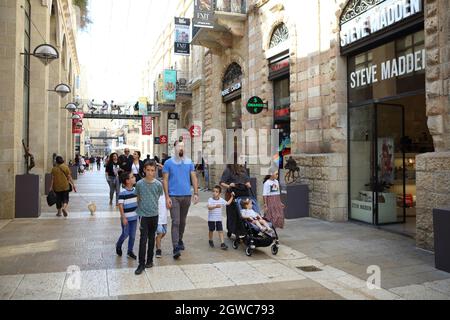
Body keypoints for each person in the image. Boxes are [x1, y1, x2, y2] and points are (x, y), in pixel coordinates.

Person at [163, 139, 199, 260]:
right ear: (175, 148)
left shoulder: (189, 162)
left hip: (186, 196)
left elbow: (193, 177)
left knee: (183, 221)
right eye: (179, 146)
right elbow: (165, 180)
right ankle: (175, 247)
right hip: (174, 196)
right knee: (176, 221)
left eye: (183, 146)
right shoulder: (168, 163)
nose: (181, 148)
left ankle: (180, 239)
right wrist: (167, 196)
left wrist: (196, 192)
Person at [135, 161, 164, 275]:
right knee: (143, 239)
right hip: (143, 216)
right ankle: (141, 264)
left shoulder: (158, 184)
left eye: (152, 170)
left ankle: (150, 261)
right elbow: (137, 198)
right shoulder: (139, 184)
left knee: (152, 238)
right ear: (144, 170)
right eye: (148, 170)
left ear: (155, 171)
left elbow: (158, 197)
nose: (150, 173)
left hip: (154, 215)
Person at [220, 164, 252, 237]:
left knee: (242, 213)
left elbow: (247, 180)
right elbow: (222, 182)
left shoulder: (243, 169)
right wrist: (229, 186)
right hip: (232, 195)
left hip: (243, 194)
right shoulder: (228, 170)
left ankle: (242, 231)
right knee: (232, 214)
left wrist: (248, 184)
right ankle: (231, 230)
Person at [116, 172, 138, 260]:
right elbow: (120, 205)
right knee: (125, 234)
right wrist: (123, 217)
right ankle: (118, 244)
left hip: (134, 218)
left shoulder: (136, 190)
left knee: (132, 236)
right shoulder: (122, 192)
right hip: (126, 219)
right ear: (127, 181)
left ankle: (130, 251)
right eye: (132, 177)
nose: (134, 178)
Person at [155, 192, 169, 259]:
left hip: (164, 218)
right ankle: (158, 249)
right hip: (158, 219)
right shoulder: (155, 194)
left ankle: (157, 241)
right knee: (160, 233)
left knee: (164, 233)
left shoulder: (166, 195)